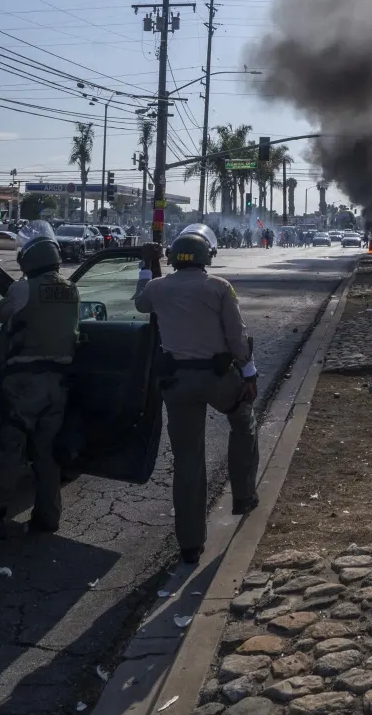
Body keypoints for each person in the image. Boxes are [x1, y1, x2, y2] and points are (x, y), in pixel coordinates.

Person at [137, 230, 259, 563]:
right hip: (218, 378)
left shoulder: (156, 288)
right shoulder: (219, 287)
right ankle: (244, 496)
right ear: (207, 258)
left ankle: (190, 544)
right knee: (243, 419)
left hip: (177, 382)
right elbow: (237, 336)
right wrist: (249, 373)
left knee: (188, 459)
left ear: (173, 259)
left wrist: (148, 265)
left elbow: (140, 301)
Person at [0, 222, 80, 537]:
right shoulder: (71, 288)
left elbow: (0, 316)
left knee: (11, 450)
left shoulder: (23, 288)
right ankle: (47, 518)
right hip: (57, 385)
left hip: (24, 385)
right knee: (46, 454)